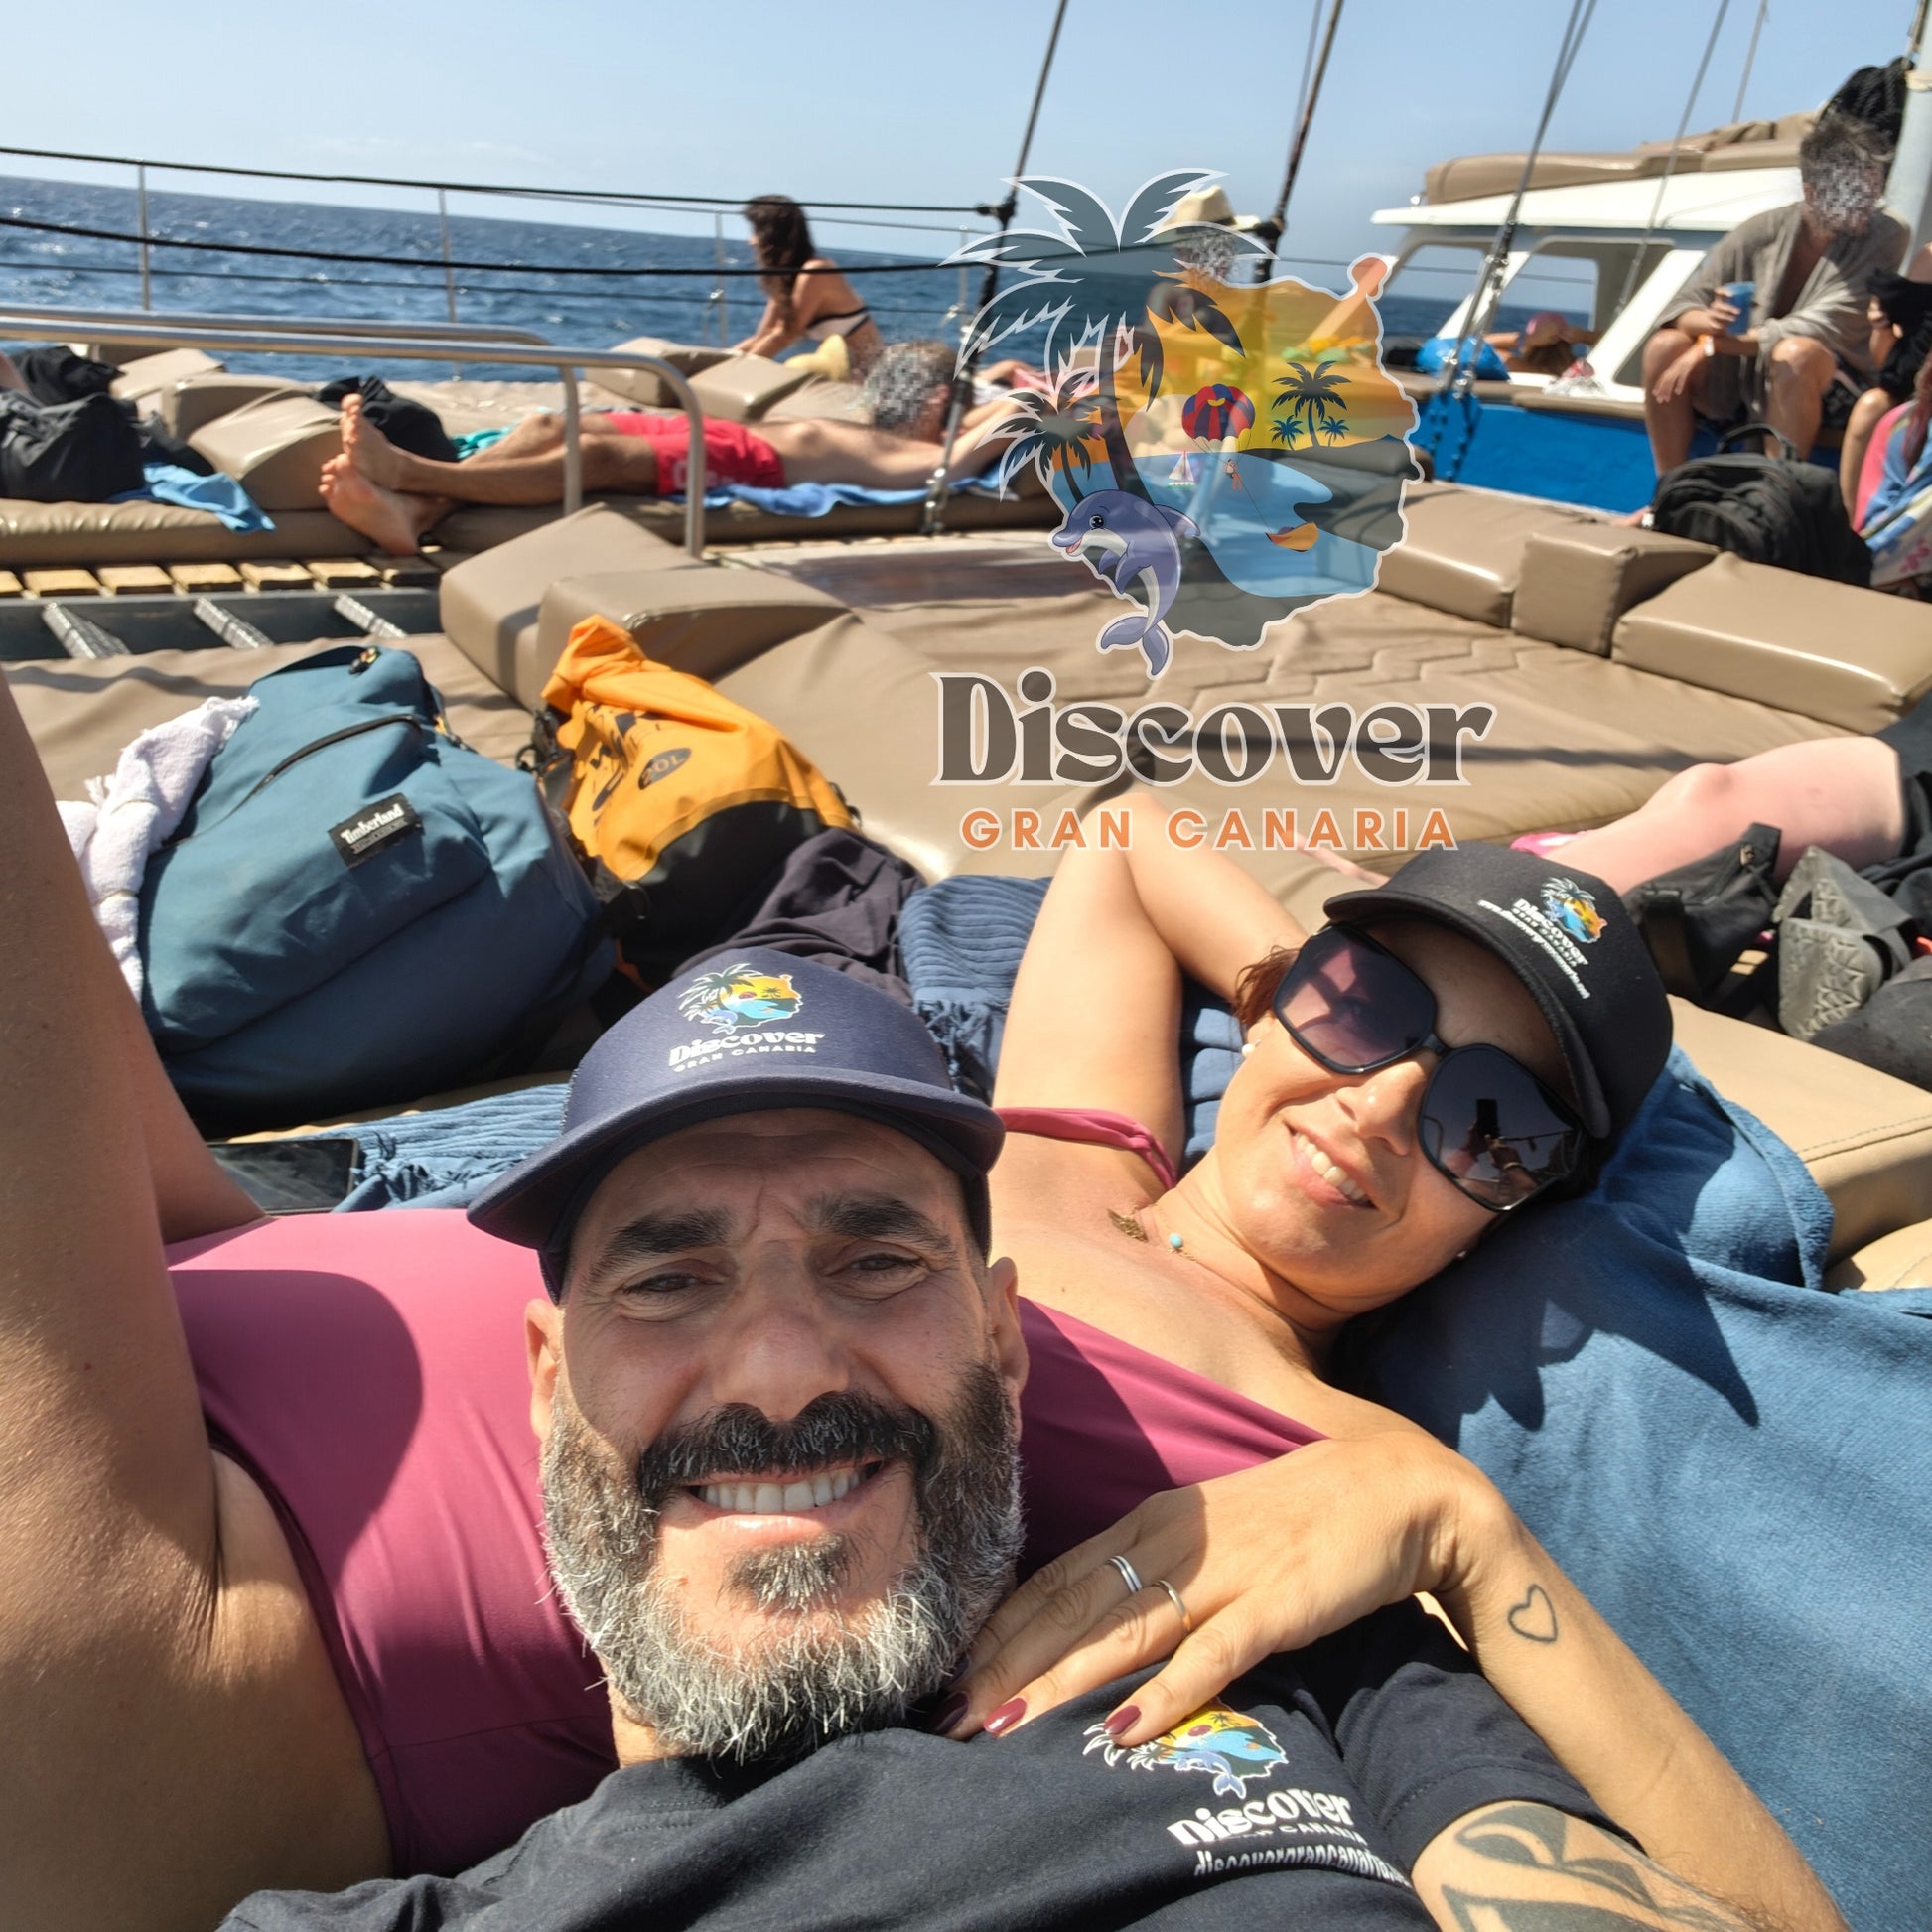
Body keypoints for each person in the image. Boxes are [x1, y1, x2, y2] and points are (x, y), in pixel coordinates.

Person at [0, 645, 1838, 1932]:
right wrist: (1301, 979)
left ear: (1509, 1216)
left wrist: (1460, 1523)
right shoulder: (1067, 1155)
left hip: (220, 1605)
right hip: (230, 1259)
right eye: (1370, 1014)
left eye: (1488, 1121)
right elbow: (1123, 847)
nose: (1379, 1108)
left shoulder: (1318, 1464)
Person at [216, 946, 1837, 1932]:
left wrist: (1452, 1517)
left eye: (876, 1259)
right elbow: (1132, 842)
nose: (779, 1364)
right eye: (670, 1275)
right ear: (544, 1377)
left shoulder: (1279, 1655)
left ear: (999, 1334)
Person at [316, 373, 1020, 554]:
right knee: (548, 422)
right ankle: (418, 511)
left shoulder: (938, 459)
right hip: (720, 428)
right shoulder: (943, 428)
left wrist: (1045, 404)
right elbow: (994, 408)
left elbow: (967, 455)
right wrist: (1010, 390)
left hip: (755, 461)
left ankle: (411, 477)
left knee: (599, 458)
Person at [1639, 115, 1906, 478]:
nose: (1871, 201)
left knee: (1796, 353)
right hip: (1744, 378)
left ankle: (1772, 495)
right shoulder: (1761, 230)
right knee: (1664, 346)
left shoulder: (1887, 235)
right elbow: (1686, 303)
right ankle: (1667, 490)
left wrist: (1710, 347)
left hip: (1834, 383)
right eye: (1857, 192)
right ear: (1812, 192)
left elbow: (1820, 326)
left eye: (1874, 189)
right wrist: (1709, 322)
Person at [733, 192, 885, 377]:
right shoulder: (787, 279)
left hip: (870, 379)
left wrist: (735, 373)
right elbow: (763, 336)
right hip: (840, 378)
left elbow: (785, 334)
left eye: (755, 233)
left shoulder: (816, 271)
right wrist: (718, 362)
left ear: (772, 236)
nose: (751, 241)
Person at [1483, 310, 1596, 377]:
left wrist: (1526, 339)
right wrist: (1584, 336)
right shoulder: (1582, 372)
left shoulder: (1516, 367)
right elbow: (1613, 347)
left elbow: (1477, 346)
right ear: (1568, 344)